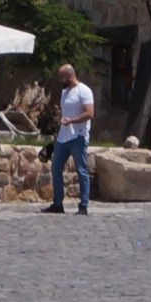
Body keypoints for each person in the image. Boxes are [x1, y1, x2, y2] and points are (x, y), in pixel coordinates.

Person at [44, 62, 94, 216]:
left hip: (78, 136)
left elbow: (89, 113)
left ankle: (83, 204)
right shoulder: (65, 92)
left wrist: (72, 121)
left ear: (69, 75)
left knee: (81, 170)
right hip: (63, 137)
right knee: (56, 167)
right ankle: (57, 203)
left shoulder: (84, 91)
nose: (60, 80)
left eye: (61, 77)